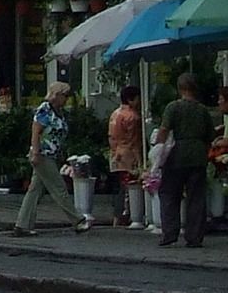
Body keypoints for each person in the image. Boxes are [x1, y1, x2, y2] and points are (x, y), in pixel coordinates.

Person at [14, 81, 91, 236]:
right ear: (57, 95)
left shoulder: (58, 111)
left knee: (35, 190)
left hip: (50, 154)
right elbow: (36, 131)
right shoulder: (45, 109)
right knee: (59, 188)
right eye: (65, 95)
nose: (67, 99)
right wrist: (35, 152)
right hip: (43, 154)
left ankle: (23, 224)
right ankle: (78, 220)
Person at [157, 72, 216, 247]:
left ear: (180, 88)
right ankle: (194, 236)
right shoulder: (202, 110)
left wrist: (158, 149)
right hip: (198, 154)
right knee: (196, 197)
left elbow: (164, 130)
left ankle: (170, 232)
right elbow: (210, 135)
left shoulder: (173, 107)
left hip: (177, 154)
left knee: (169, 193)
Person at [107, 85, 146, 229]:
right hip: (128, 155)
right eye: (137, 98)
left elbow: (111, 136)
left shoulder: (115, 114)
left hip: (115, 153)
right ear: (131, 99)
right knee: (131, 187)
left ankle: (116, 218)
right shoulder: (133, 117)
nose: (139, 101)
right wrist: (141, 162)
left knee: (119, 188)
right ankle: (129, 215)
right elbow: (134, 141)